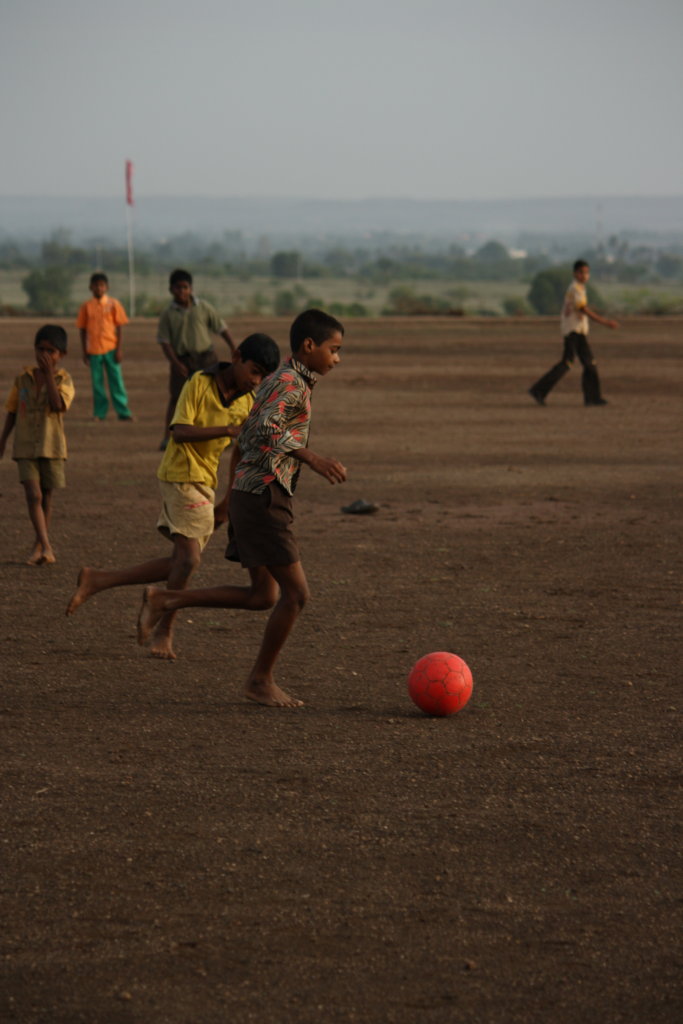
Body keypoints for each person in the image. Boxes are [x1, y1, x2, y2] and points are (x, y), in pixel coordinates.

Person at [137, 308, 347, 707]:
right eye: (333, 350)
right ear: (309, 346)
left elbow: (246, 434)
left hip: (255, 495)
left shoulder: (284, 379)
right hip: (264, 496)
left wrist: (232, 499)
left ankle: (165, 599)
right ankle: (259, 680)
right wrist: (313, 458)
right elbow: (263, 428)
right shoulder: (290, 383)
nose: (337, 358)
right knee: (297, 595)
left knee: (263, 596)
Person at [66, 333, 280, 660]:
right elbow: (178, 431)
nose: (257, 381)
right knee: (190, 560)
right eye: (254, 371)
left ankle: (98, 579)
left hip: (204, 482)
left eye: (264, 376)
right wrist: (226, 430)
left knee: (180, 561)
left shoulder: (246, 403)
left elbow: (241, 451)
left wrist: (229, 497)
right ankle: (164, 628)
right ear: (236, 356)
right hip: (180, 474)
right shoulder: (199, 382)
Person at [0, 324, 75, 565]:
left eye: (51, 351)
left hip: (51, 446)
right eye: (40, 349)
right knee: (33, 495)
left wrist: (50, 375)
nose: (44, 355)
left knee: (46, 497)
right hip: (24, 445)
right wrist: (3, 440)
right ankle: (47, 545)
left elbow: (57, 404)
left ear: (61, 354)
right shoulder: (23, 379)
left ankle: (38, 545)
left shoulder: (65, 380)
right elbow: (12, 411)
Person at [157, 268, 237, 448]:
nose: (182, 291)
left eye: (185, 287)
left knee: (217, 395)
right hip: (182, 361)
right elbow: (164, 342)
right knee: (176, 398)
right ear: (171, 289)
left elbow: (221, 328)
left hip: (207, 358)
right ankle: (167, 437)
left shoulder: (203, 307)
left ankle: (226, 435)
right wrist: (175, 363)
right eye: (178, 288)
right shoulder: (168, 314)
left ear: (191, 289)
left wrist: (233, 347)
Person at [528, 260, 619, 406]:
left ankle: (592, 398)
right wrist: (605, 322)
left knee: (589, 364)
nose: (584, 275)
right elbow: (583, 309)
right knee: (569, 363)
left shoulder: (580, 289)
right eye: (581, 272)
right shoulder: (576, 288)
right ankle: (539, 390)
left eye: (587, 272)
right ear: (575, 273)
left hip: (579, 331)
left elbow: (582, 307)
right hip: (573, 332)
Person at [76, 272, 133, 421]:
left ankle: (123, 412)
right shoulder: (86, 307)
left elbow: (119, 327)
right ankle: (99, 413)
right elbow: (82, 329)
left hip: (111, 349)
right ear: (90, 287)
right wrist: (84, 351)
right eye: (95, 285)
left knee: (116, 382)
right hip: (94, 350)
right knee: (97, 384)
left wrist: (119, 349)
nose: (98, 288)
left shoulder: (113, 304)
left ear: (106, 287)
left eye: (101, 285)